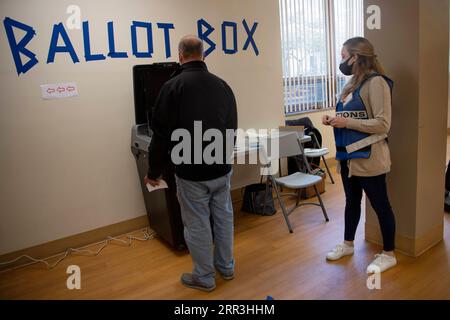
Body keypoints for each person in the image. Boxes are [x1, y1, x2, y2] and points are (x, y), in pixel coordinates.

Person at [144, 35, 238, 292]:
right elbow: (231, 128)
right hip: (221, 167)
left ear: (180, 55)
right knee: (223, 219)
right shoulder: (223, 86)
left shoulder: (172, 87)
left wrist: (153, 171)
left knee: (197, 223)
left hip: (191, 171)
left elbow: (161, 135)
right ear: (203, 55)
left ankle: (204, 277)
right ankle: (226, 267)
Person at [322, 37, 397, 273]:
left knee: (380, 205)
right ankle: (347, 244)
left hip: (370, 157)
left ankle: (389, 254)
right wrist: (333, 120)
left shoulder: (377, 83)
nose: (341, 61)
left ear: (356, 57)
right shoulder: (352, 84)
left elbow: (383, 124)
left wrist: (347, 122)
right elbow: (351, 117)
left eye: (344, 56)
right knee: (351, 202)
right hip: (348, 158)